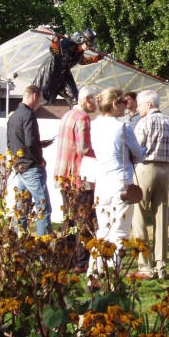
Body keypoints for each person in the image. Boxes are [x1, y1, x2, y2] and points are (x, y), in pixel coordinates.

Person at [89, 88, 145, 279]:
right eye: (123, 102)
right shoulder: (123, 127)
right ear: (114, 104)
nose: (126, 105)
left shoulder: (94, 125)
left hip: (102, 183)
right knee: (120, 232)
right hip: (121, 183)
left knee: (103, 231)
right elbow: (139, 154)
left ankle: (95, 274)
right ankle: (114, 274)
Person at [130, 90, 169, 280]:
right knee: (161, 218)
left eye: (140, 105)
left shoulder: (144, 122)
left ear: (149, 105)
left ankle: (144, 266)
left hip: (145, 168)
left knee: (139, 216)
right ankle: (161, 266)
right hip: (165, 171)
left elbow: (136, 150)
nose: (138, 108)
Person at [54, 85, 99, 270]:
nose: (96, 104)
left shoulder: (67, 115)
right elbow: (84, 149)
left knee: (69, 219)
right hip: (79, 176)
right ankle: (82, 261)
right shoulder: (83, 118)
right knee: (85, 220)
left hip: (63, 175)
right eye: (95, 100)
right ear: (87, 99)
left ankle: (68, 257)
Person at [7, 85, 53, 236]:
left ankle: (18, 245)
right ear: (34, 96)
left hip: (20, 167)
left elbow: (12, 142)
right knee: (43, 208)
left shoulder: (13, 116)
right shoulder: (28, 115)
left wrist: (39, 144)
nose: (40, 104)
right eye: (40, 100)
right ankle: (44, 249)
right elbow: (30, 142)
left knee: (22, 209)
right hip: (31, 167)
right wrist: (39, 160)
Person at [32, 28, 102, 107]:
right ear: (82, 40)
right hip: (51, 71)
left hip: (63, 74)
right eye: (89, 44)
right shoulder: (67, 43)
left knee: (75, 98)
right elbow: (55, 51)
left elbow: (82, 61)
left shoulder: (80, 52)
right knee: (40, 95)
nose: (90, 47)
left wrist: (97, 58)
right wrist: (55, 41)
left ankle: (76, 114)